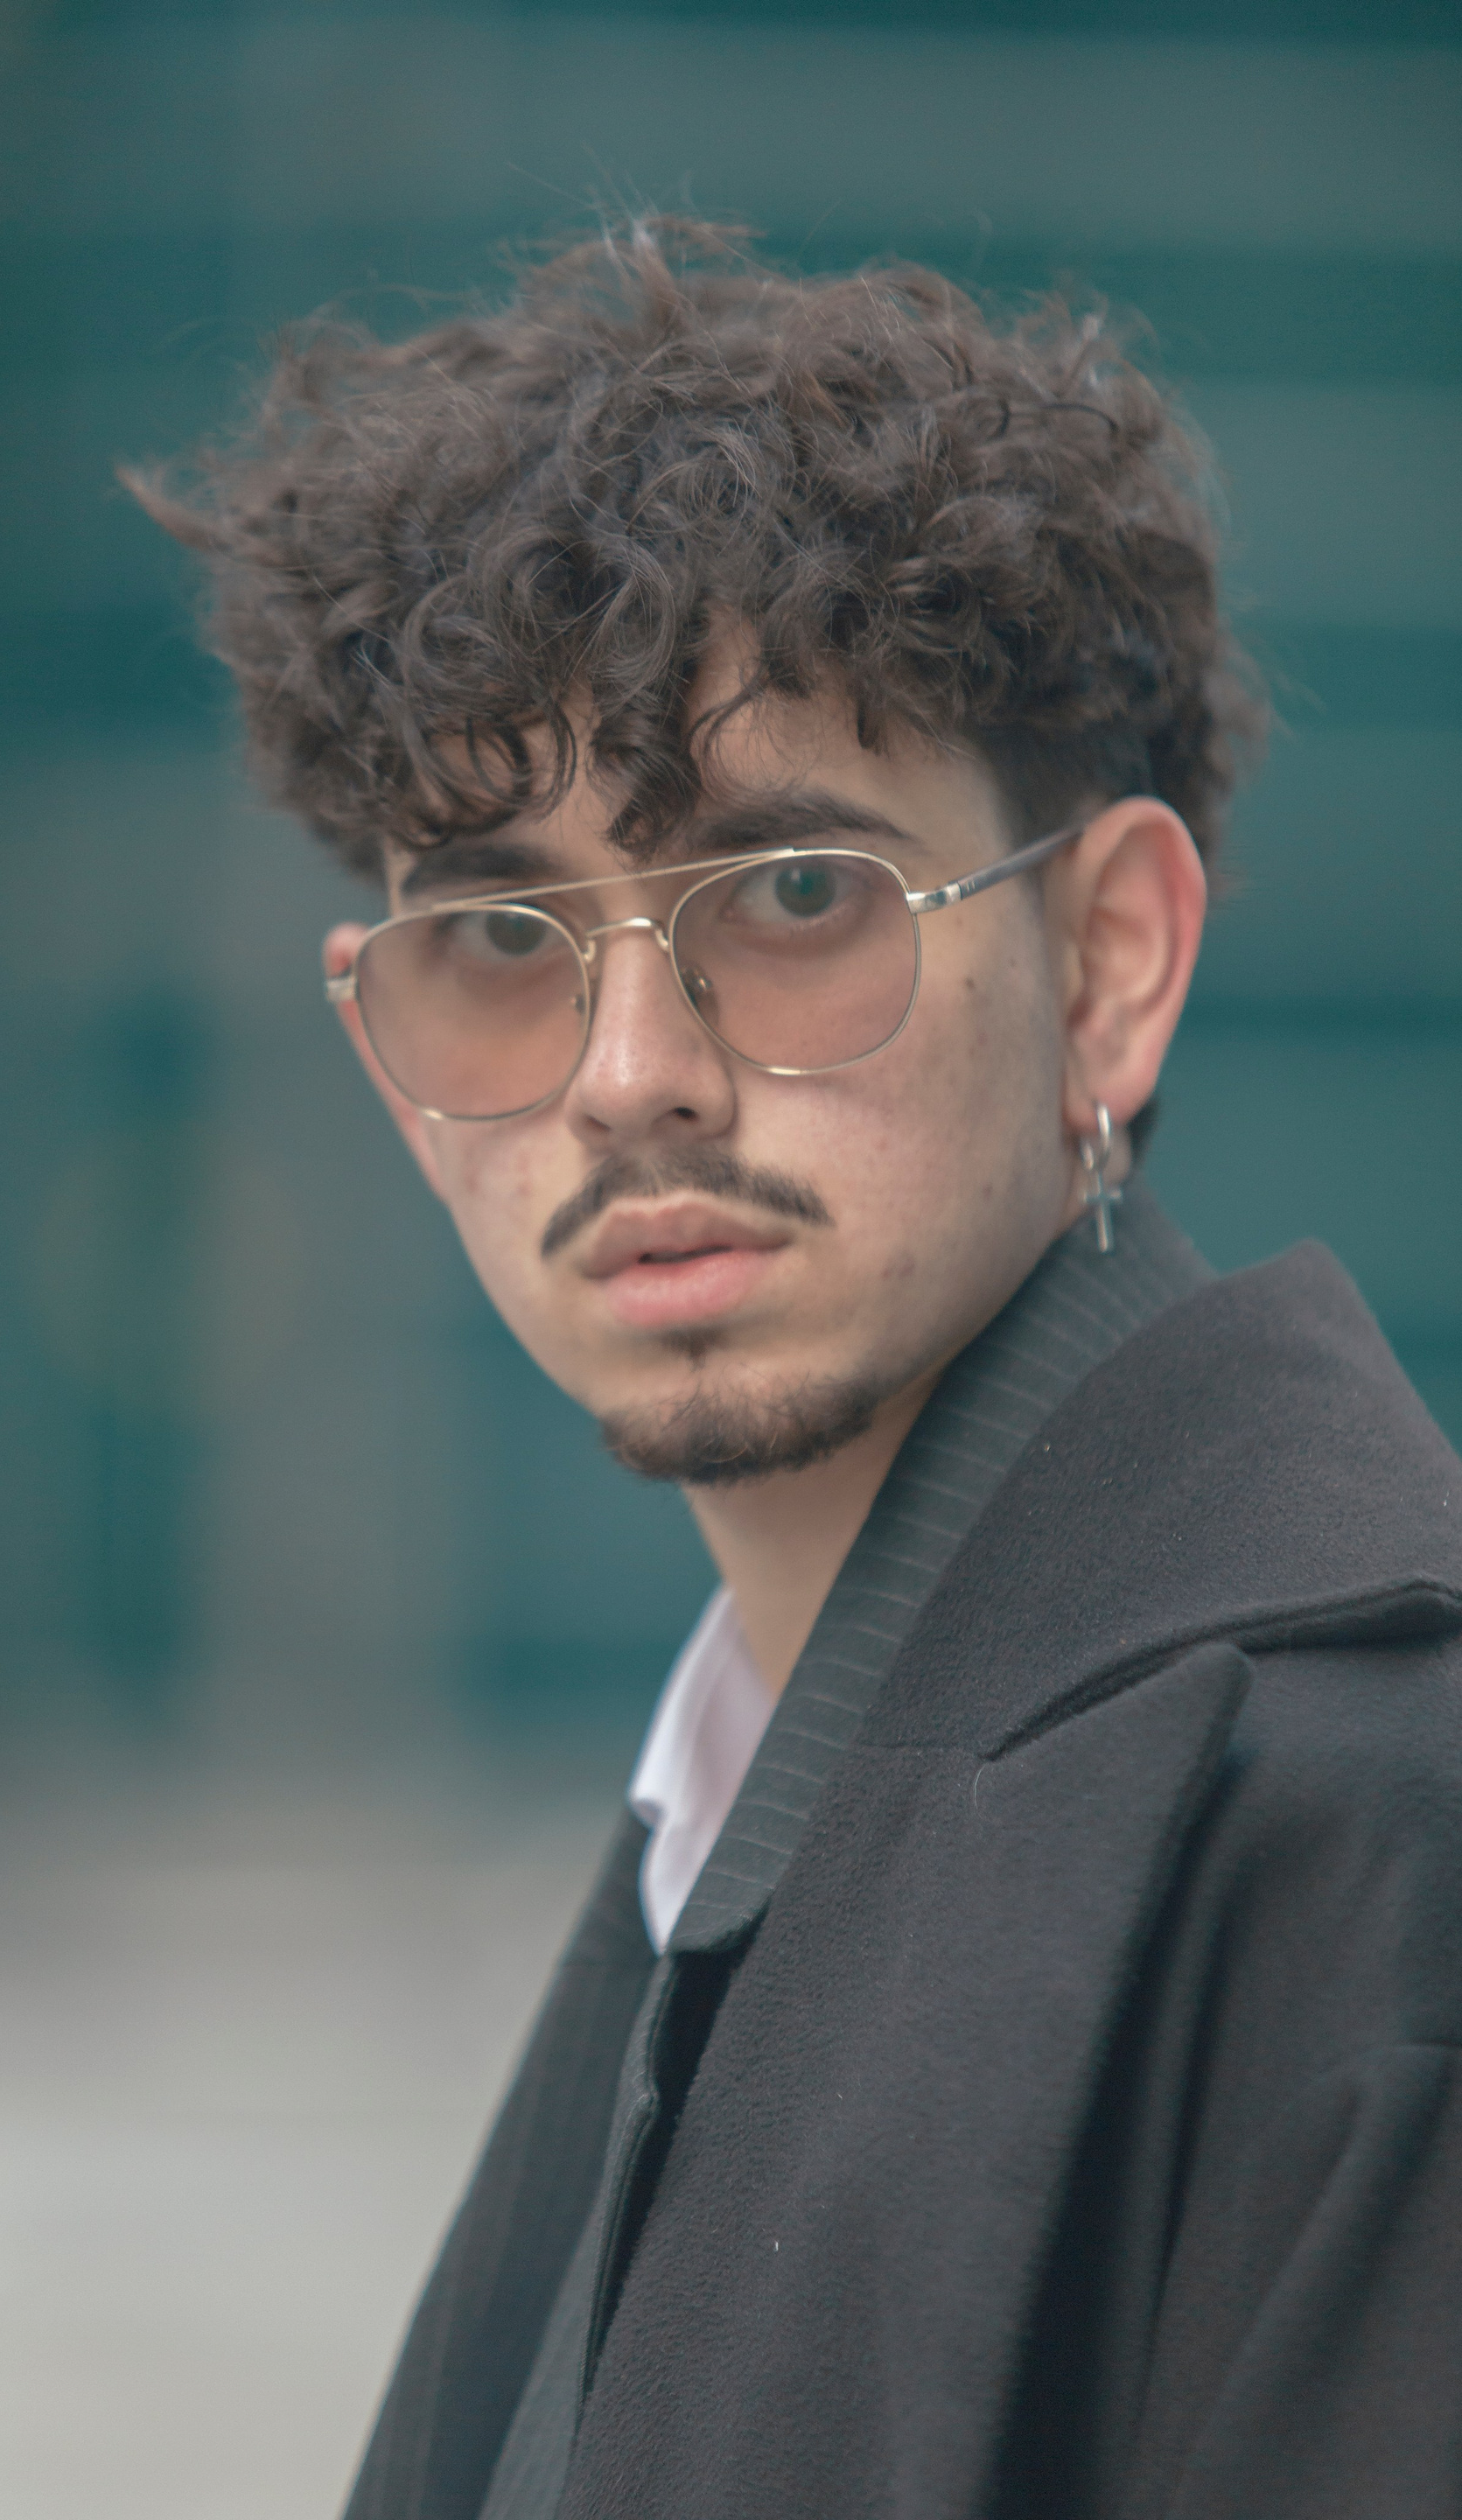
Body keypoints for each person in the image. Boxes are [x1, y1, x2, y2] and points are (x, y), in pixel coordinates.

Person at [135, 224, 1462, 2519]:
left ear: (1110, 968)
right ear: (389, 1066)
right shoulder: (755, 1788)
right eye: (500, 937)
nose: (630, 1075)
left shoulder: (1376, 1836)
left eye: (795, 898)